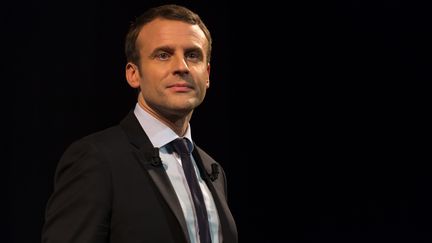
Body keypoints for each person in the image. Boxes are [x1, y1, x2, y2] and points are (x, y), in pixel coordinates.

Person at [41, 4, 237, 243]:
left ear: (207, 75)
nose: (181, 67)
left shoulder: (212, 169)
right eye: (163, 55)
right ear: (133, 74)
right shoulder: (96, 159)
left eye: (192, 55)